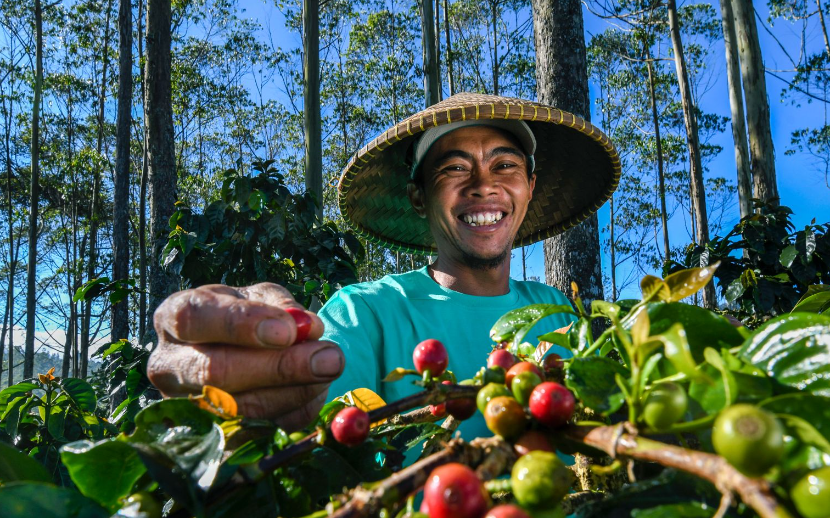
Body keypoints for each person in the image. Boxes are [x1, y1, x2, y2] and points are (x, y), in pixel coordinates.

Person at [147, 93, 620, 436]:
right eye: (453, 169)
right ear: (419, 197)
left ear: (529, 187)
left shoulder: (559, 312)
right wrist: (241, 390)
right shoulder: (366, 313)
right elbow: (311, 412)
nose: (483, 185)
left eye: (505, 166)